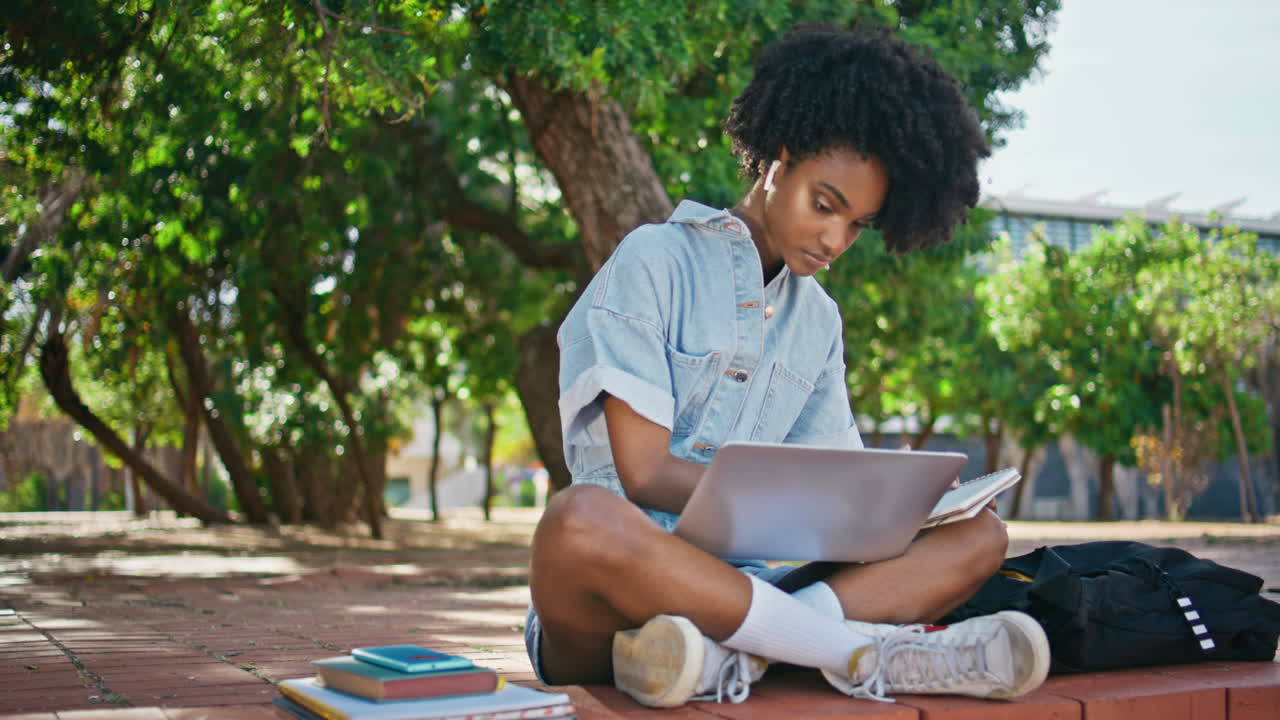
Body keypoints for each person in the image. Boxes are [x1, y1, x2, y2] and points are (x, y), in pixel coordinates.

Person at [524, 24, 1050, 707]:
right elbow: (645, 474)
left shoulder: (819, 322)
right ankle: (856, 654)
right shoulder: (655, 259)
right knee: (578, 519)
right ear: (778, 158)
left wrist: (889, 515)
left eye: (858, 224)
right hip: (617, 591)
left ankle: (729, 659)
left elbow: (833, 488)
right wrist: (782, 507)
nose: (835, 238)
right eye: (824, 204)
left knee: (980, 537)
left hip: (755, 592)